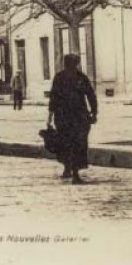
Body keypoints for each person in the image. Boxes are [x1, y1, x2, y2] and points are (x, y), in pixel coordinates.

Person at [48, 54, 97, 184]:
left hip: (63, 116)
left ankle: (67, 168)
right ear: (76, 64)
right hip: (78, 117)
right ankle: (74, 172)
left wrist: (49, 117)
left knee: (65, 143)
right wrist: (94, 112)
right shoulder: (81, 78)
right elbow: (91, 95)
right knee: (78, 143)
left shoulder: (59, 77)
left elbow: (53, 98)